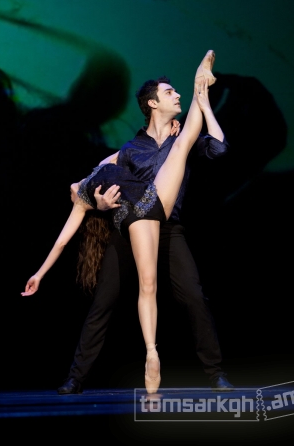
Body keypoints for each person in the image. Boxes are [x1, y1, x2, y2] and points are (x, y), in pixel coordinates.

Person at [22, 50, 218, 393]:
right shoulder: (128, 150)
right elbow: (91, 185)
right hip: (132, 223)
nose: (174, 96)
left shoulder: (175, 137)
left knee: (192, 296)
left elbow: (216, 148)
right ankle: (77, 377)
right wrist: (96, 201)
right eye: (169, 92)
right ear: (152, 103)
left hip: (164, 223)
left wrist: (90, 197)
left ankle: (213, 372)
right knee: (106, 301)